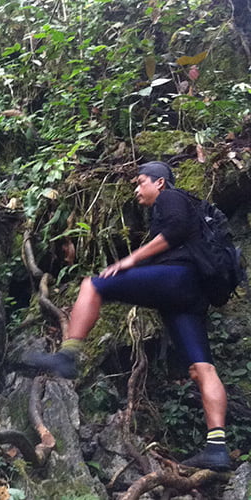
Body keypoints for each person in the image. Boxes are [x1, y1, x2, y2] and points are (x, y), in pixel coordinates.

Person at [23, 161, 231, 471]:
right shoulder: (188, 210)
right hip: (191, 295)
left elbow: (174, 232)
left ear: (159, 183)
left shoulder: (171, 198)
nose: (136, 189)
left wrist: (129, 261)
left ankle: (68, 355)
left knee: (93, 285)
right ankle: (217, 447)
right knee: (202, 367)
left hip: (180, 278)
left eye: (141, 182)